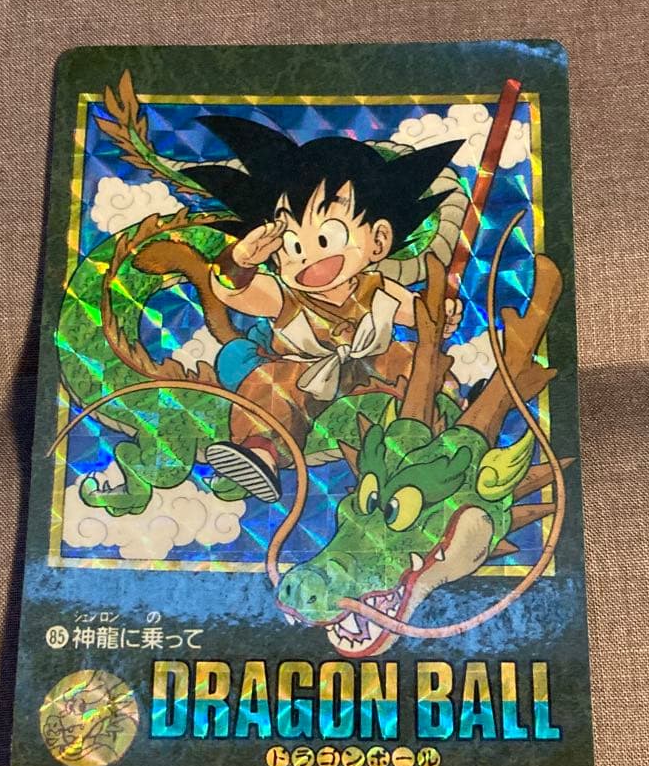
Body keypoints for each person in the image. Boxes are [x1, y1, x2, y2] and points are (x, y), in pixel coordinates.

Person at [181, 116, 464, 502]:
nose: (307, 256)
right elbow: (234, 292)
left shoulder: (378, 289)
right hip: (302, 374)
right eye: (292, 246)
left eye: (326, 237)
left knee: (416, 361)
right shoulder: (285, 296)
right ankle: (261, 453)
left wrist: (442, 316)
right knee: (272, 387)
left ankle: (446, 420)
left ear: (379, 240)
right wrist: (240, 260)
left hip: (370, 366)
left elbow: (420, 316)